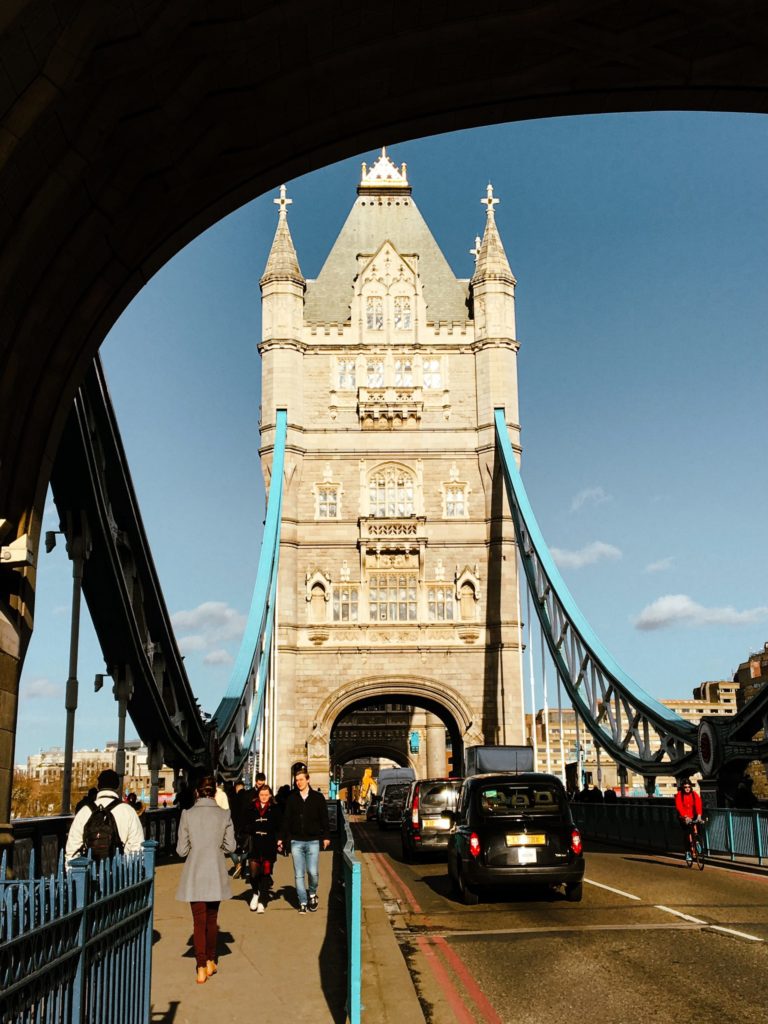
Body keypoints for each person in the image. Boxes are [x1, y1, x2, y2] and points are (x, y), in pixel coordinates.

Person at [175, 775, 236, 985]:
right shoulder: (225, 815)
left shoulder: (187, 815)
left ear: (197, 792)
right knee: (212, 919)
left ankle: (200, 966)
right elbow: (231, 847)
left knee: (198, 921)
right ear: (215, 792)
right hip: (216, 872)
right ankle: (210, 960)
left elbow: (181, 851)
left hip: (195, 873)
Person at [280, 765, 330, 914]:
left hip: (313, 840)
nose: (298, 782)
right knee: (299, 874)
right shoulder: (292, 799)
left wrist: (326, 836)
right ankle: (302, 902)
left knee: (313, 872)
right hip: (296, 841)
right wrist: (281, 839)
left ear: (308, 780)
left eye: (301, 779)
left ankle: (312, 894)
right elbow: (286, 820)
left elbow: (325, 819)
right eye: (296, 780)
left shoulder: (318, 798)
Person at [65, 769, 145, 860]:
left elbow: (72, 848)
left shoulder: (84, 811)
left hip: (90, 870)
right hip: (119, 870)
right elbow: (137, 846)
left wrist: (72, 870)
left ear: (98, 786)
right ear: (118, 786)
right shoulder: (128, 811)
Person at [244, 784, 282, 912]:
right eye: (261, 795)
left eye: (266, 795)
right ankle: (255, 893)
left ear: (270, 795)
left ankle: (262, 900)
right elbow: (245, 824)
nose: (264, 797)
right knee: (254, 873)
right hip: (254, 843)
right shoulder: (251, 808)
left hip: (269, 844)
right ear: (258, 795)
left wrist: (280, 841)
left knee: (266, 873)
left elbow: (279, 826)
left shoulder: (275, 808)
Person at [674, 778, 703, 858]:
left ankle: (697, 842)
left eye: (689, 787)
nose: (687, 788)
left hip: (693, 816)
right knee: (687, 833)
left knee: (698, 829)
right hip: (683, 817)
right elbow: (679, 806)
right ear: (683, 788)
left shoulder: (694, 794)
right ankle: (687, 852)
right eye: (685, 787)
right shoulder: (680, 794)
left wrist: (699, 815)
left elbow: (698, 804)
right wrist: (685, 816)